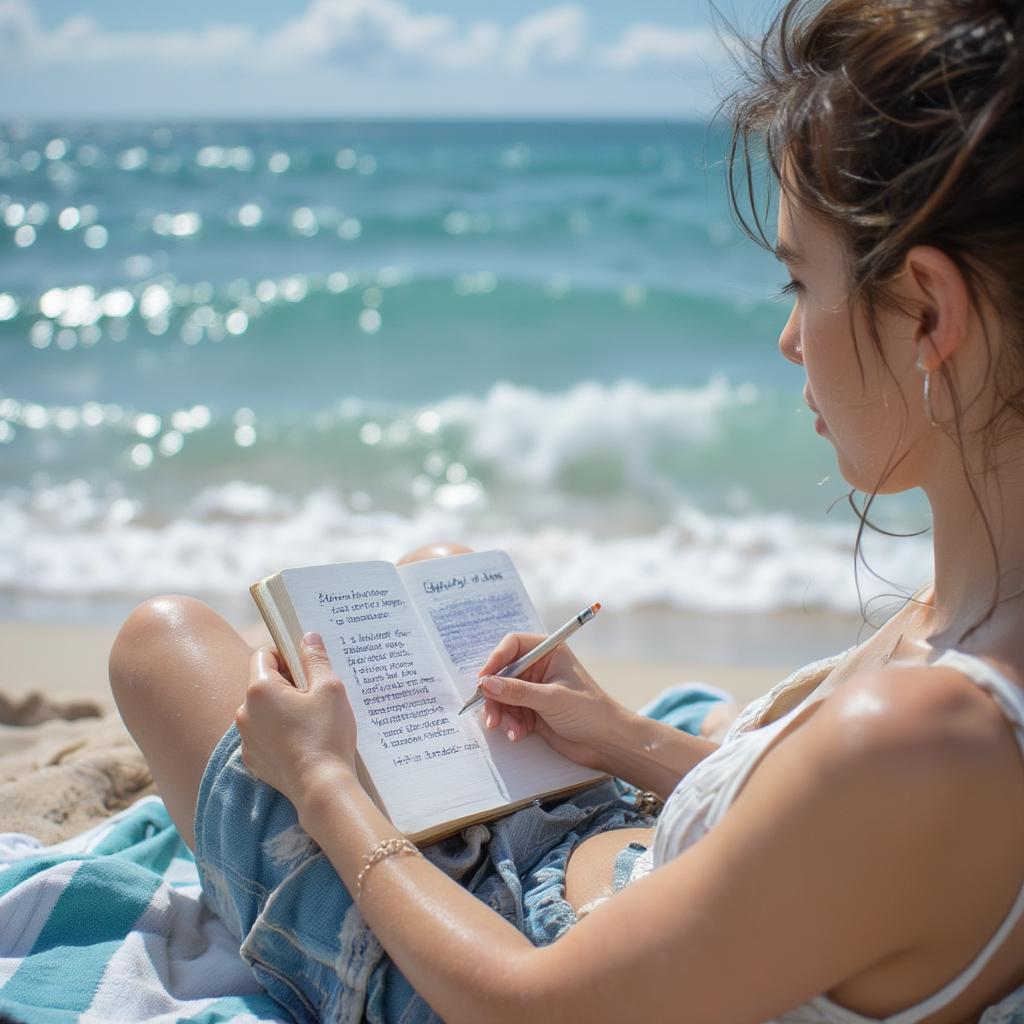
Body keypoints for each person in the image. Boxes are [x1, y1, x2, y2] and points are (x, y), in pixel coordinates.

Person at [108, 0, 1024, 1020]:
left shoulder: (922, 735)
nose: (788, 342)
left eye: (798, 282)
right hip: (618, 887)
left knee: (164, 644)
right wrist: (620, 738)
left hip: (503, 964)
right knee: (442, 568)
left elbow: (525, 1007)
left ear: (930, 313)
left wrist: (323, 784)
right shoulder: (977, 613)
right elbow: (838, 855)